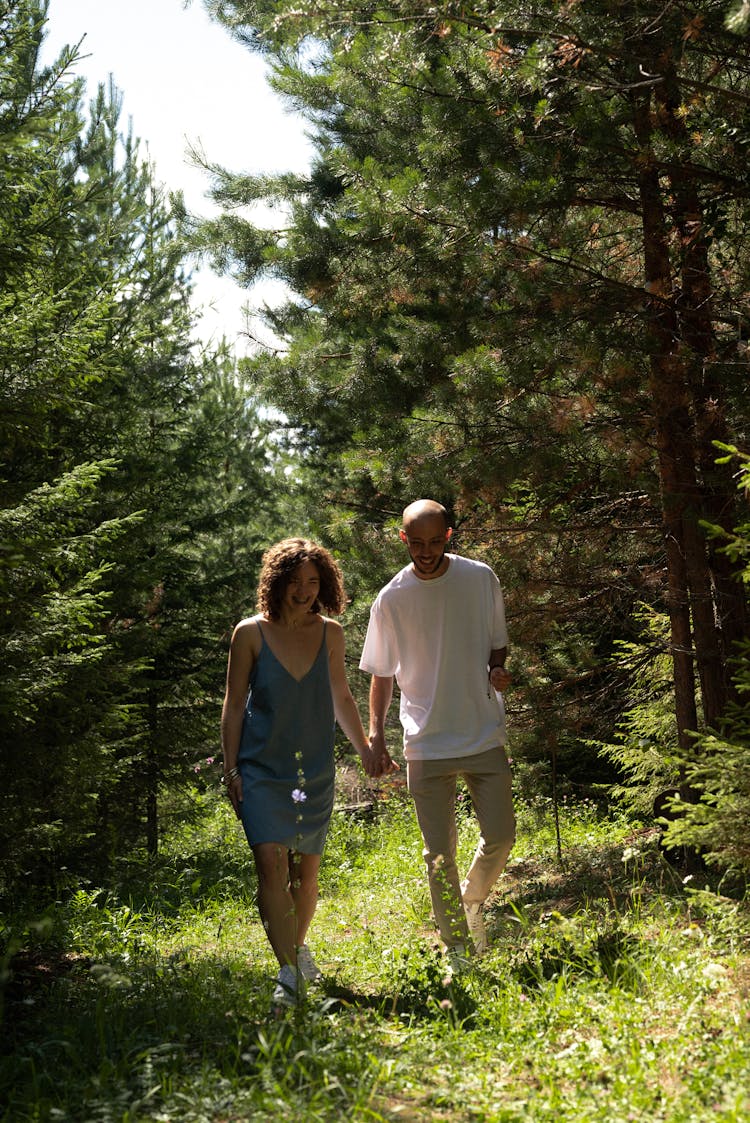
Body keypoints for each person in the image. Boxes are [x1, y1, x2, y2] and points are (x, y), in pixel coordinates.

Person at [359, 500, 515, 968]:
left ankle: (470, 900)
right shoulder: (391, 598)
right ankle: (458, 951)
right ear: (403, 539)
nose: (425, 552)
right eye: (416, 543)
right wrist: (376, 735)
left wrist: (498, 670)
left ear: (449, 535)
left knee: (503, 836)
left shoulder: (480, 578)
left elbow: (497, 642)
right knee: (438, 854)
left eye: (434, 542)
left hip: (482, 731)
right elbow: (381, 674)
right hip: (424, 741)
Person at [221, 538, 371, 1008]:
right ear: (277, 582)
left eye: (313, 581)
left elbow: (343, 697)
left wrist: (365, 748)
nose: (304, 590)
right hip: (261, 770)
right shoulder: (249, 634)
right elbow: (232, 708)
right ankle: (288, 973)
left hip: (313, 773)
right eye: (295, 581)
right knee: (269, 863)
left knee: (304, 876)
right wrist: (231, 771)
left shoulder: (331, 633)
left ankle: (297, 948)